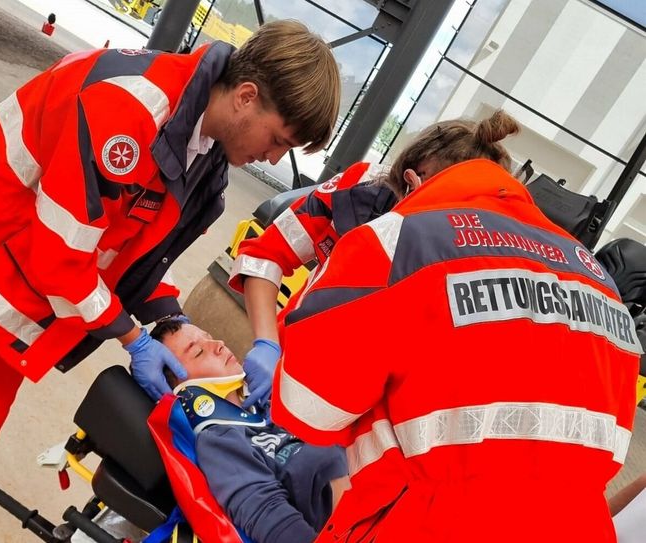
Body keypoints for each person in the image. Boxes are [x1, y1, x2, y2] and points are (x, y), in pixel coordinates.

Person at [0, 20, 341, 543]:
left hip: (22, 288)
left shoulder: (205, 153)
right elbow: (60, 259)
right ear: (246, 97)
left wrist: (168, 320)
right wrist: (132, 337)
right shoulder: (130, 109)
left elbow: (133, 256)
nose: (276, 158)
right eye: (278, 139)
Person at [271, 110, 642, 542]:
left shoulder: (399, 242)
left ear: (414, 179)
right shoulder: (601, 284)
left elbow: (304, 408)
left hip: (430, 523)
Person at [151, 319, 350, 543]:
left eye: (209, 336)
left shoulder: (271, 401)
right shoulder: (218, 442)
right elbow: (270, 519)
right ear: (178, 390)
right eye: (198, 351)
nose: (218, 344)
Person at [228, 161, 398, 409]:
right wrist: (268, 344)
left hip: (348, 409)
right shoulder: (364, 184)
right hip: (282, 364)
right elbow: (265, 254)